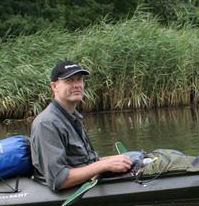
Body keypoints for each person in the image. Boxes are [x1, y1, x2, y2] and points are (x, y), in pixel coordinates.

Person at [30, 60, 132, 191]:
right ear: (54, 86)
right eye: (69, 81)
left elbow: (84, 161)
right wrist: (103, 165)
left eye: (79, 80)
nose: (77, 85)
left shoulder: (73, 116)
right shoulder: (47, 124)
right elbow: (58, 179)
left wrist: (112, 160)